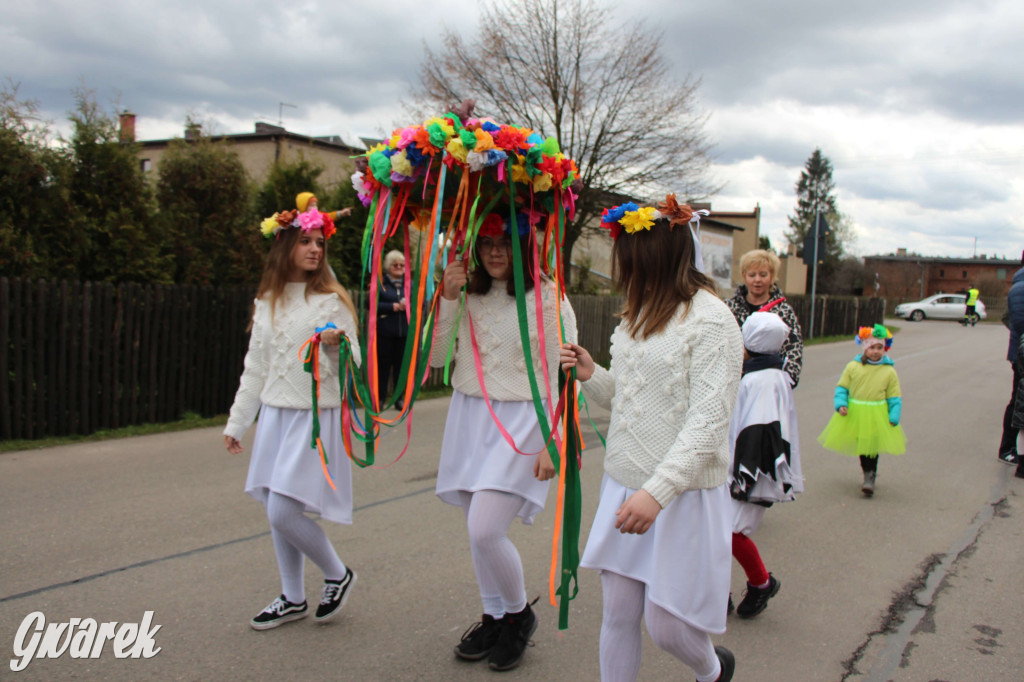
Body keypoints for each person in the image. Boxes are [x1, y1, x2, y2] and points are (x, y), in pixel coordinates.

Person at [560, 195, 742, 682]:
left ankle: (711, 671)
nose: (625, 273)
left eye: (631, 262)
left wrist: (657, 493)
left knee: (666, 626)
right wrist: (590, 373)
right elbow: (630, 398)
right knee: (618, 614)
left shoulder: (713, 321)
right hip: (625, 485)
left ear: (659, 257)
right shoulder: (637, 316)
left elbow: (708, 421)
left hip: (679, 495)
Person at [431, 212, 578, 672]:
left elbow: (564, 372)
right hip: (471, 417)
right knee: (476, 527)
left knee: (485, 529)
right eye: (486, 242)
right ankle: (493, 615)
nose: (495, 251)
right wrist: (448, 298)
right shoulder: (467, 295)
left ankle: (518, 616)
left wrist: (555, 439)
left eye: (506, 242)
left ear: (525, 245)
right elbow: (436, 358)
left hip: (522, 422)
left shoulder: (549, 298)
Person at [223, 207, 360, 630]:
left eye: (320, 242)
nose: (315, 249)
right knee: (273, 509)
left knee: (283, 512)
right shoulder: (266, 302)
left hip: (312, 420)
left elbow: (354, 361)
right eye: (306, 241)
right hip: (275, 420)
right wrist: (237, 421)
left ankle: (337, 574)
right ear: (284, 245)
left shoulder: (331, 301)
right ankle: (292, 596)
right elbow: (256, 368)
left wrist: (336, 347)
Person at [726, 312, 802, 619]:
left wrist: (744, 478)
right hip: (745, 467)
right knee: (722, 531)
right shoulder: (769, 375)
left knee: (729, 532)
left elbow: (758, 429)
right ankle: (723, 593)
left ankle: (761, 583)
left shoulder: (760, 380)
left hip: (752, 470)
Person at [818, 325, 906, 497]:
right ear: (865, 348)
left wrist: (894, 415)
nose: (876, 351)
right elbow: (842, 387)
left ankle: (869, 476)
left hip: (876, 412)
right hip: (857, 412)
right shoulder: (853, 367)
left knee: (871, 445)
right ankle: (867, 471)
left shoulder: (889, 371)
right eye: (872, 347)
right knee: (863, 445)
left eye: (879, 348)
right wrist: (841, 403)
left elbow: (894, 396)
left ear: (885, 349)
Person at [725, 249, 804, 388]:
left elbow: (793, 348)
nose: (757, 280)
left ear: (772, 276)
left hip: (769, 386)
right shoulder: (729, 308)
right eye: (752, 274)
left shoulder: (783, 311)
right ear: (744, 276)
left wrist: (786, 380)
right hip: (732, 387)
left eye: (763, 274)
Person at [375, 250, 409, 410]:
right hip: (385, 334)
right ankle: (380, 399)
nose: (399, 267)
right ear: (389, 266)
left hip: (404, 335)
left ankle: (398, 399)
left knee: (401, 369)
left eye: (401, 265)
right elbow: (371, 304)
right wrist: (392, 307)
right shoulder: (381, 284)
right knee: (383, 368)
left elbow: (421, 304)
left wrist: (408, 306)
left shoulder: (410, 285)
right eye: (395, 264)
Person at [999, 256, 1024, 464]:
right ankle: (1007, 448)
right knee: (1018, 402)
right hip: (1022, 354)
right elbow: (1016, 320)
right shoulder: (1020, 288)